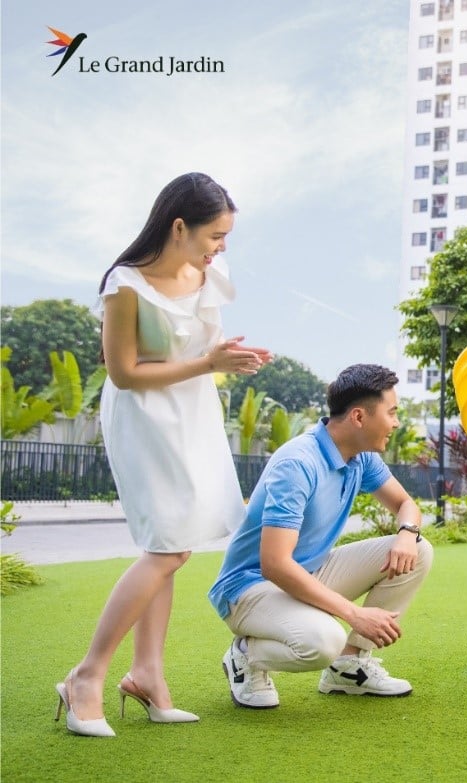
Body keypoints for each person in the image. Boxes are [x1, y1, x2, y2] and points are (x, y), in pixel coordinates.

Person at [56, 173, 272, 738]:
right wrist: (208, 364)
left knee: (172, 542)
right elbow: (125, 374)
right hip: (144, 420)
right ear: (179, 226)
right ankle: (86, 675)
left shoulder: (207, 271)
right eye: (215, 235)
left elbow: (202, 348)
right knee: (167, 548)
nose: (221, 246)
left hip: (192, 416)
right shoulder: (125, 284)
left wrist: (230, 356)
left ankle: (148, 673)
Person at [208, 364, 433, 709]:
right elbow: (275, 564)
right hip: (248, 589)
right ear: (359, 417)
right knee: (324, 641)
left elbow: (405, 504)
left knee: (418, 550)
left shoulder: (362, 458)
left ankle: (348, 666)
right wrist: (354, 615)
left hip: (309, 571)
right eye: (392, 413)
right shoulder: (298, 463)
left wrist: (407, 533)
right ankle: (245, 655)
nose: (396, 422)